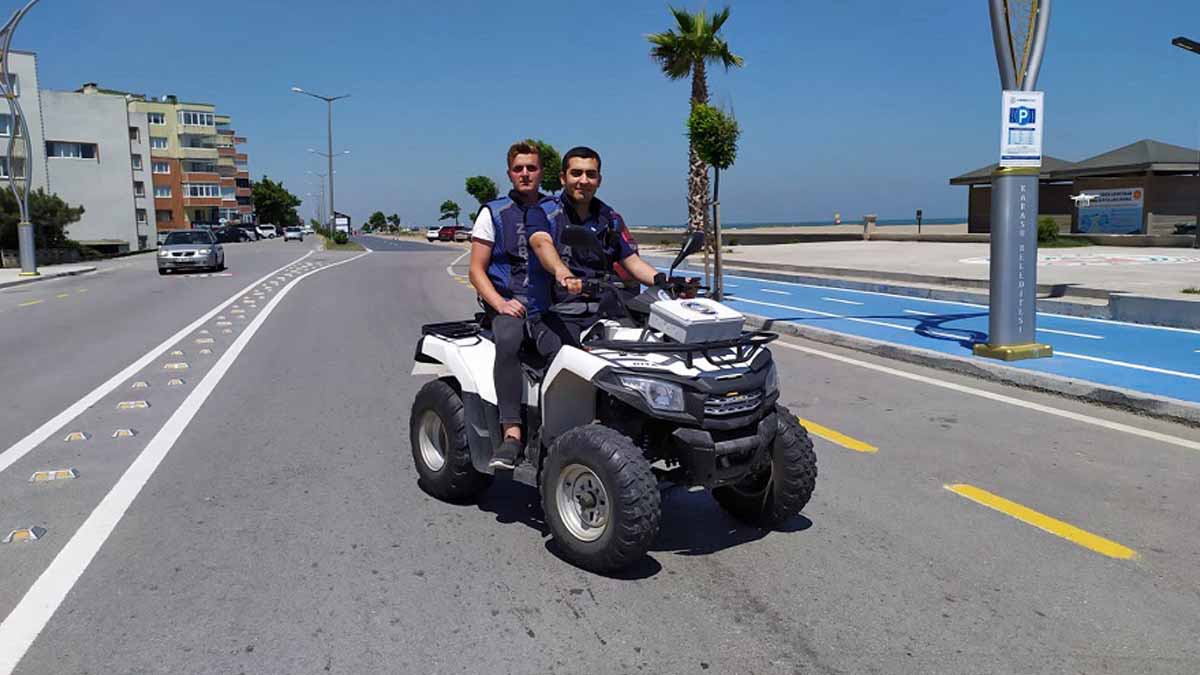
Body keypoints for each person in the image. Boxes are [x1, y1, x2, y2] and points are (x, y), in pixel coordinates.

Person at [468, 141, 572, 470]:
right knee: (509, 342)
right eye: (518, 168)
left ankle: (564, 431)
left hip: (544, 309)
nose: (525, 174)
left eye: (531, 168)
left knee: (570, 353)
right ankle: (511, 434)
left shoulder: (555, 210)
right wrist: (499, 304)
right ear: (509, 173)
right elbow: (475, 270)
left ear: (541, 172)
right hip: (508, 305)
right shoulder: (493, 212)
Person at [529, 146, 662, 343]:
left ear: (599, 180)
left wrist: (665, 282)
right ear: (563, 178)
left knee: (649, 344)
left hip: (604, 312)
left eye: (590, 174)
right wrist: (562, 272)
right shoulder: (543, 212)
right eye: (576, 173)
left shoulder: (608, 217)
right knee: (570, 355)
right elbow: (541, 243)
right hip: (556, 313)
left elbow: (632, 261)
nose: (583, 181)